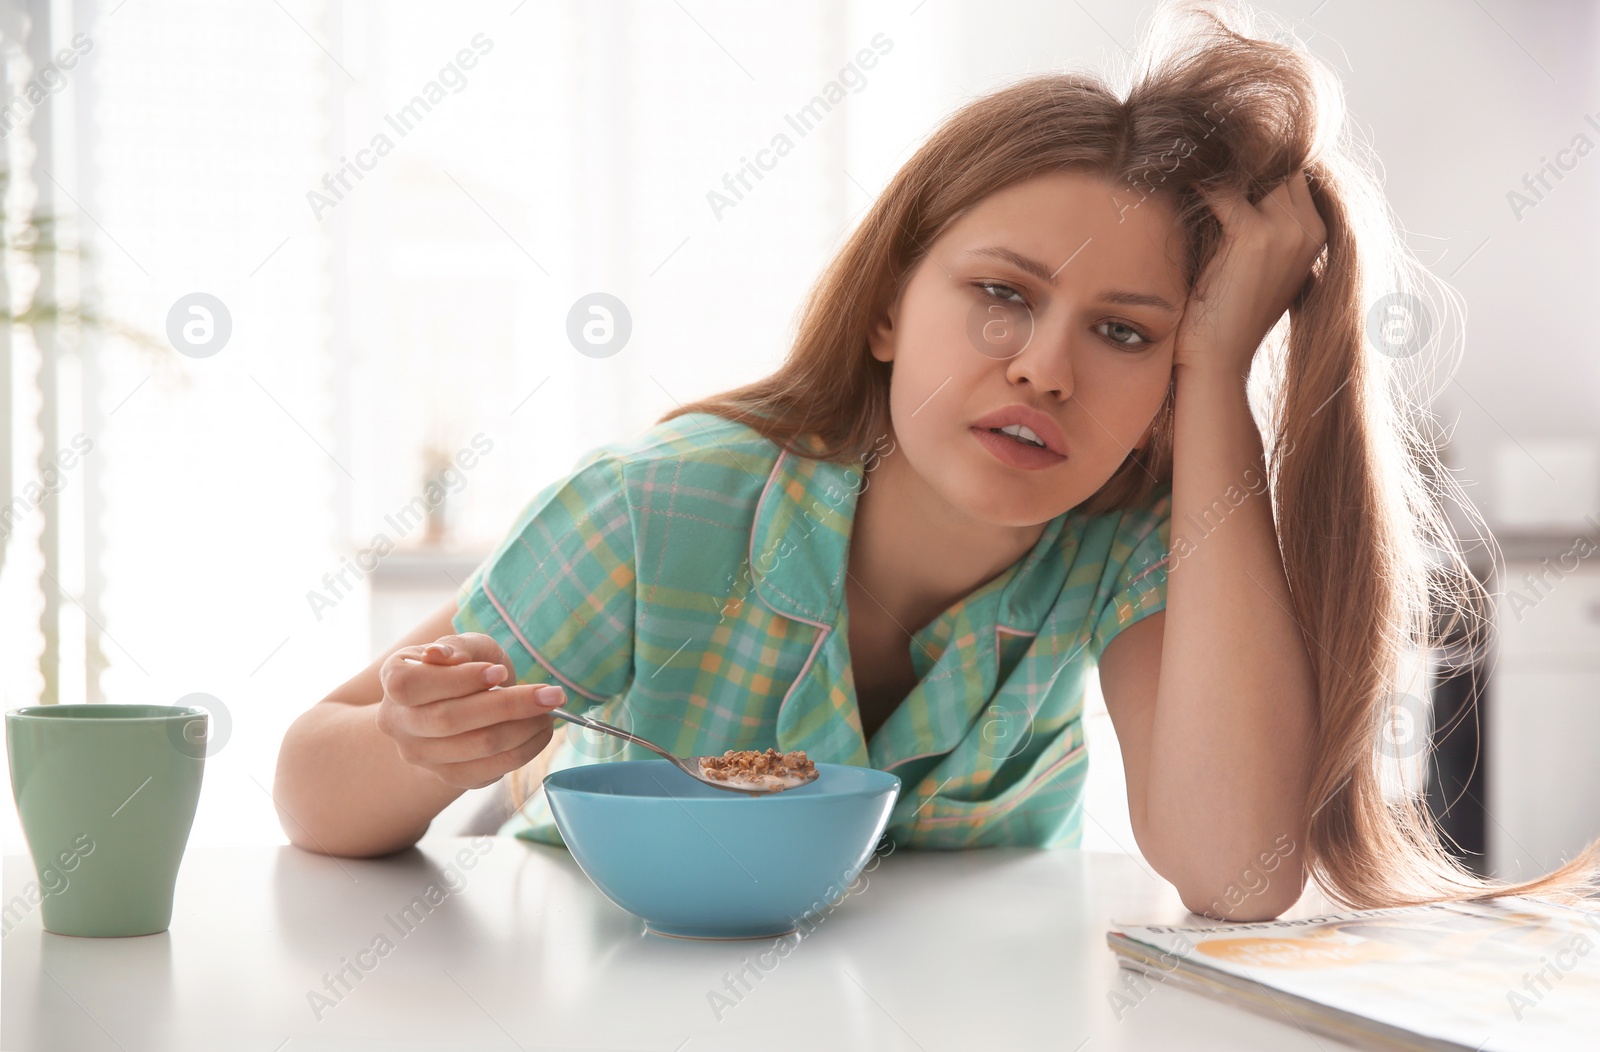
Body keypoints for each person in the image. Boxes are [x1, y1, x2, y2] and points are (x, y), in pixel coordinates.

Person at [274, 0, 1600, 920]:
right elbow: (313, 785)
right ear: (895, 305)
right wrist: (418, 741)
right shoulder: (657, 511)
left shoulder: (1126, 548)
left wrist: (1220, 389)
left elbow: (1241, 872)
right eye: (1004, 295)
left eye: (1128, 334)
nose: (1044, 368)